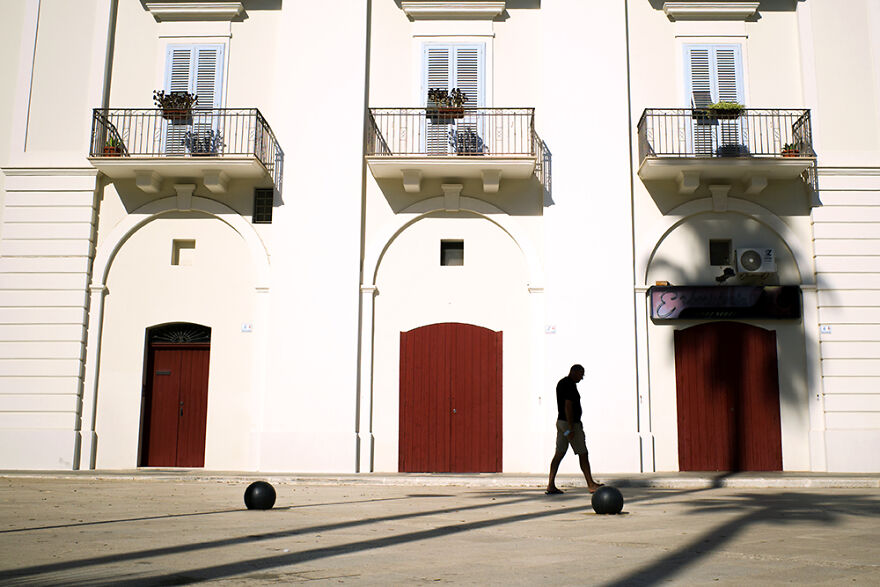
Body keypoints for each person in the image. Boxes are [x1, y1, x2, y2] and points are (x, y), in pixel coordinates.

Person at [546, 364, 603, 494]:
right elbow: (568, 406)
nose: (582, 378)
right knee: (583, 453)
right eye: (581, 374)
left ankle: (550, 484)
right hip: (569, 425)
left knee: (559, 453)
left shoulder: (562, 383)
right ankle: (591, 484)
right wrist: (571, 428)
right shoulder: (569, 385)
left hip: (561, 425)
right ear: (574, 372)